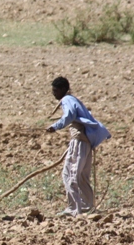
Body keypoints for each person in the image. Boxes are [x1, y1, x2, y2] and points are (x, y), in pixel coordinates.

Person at [46, 76, 111, 216]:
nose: (54, 94)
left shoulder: (67, 100)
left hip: (80, 141)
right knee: (81, 176)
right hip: (85, 142)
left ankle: (74, 208)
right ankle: (87, 207)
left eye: (56, 91)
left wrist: (55, 127)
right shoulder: (73, 100)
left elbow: (69, 115)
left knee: (70, 174)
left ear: (63, 89)